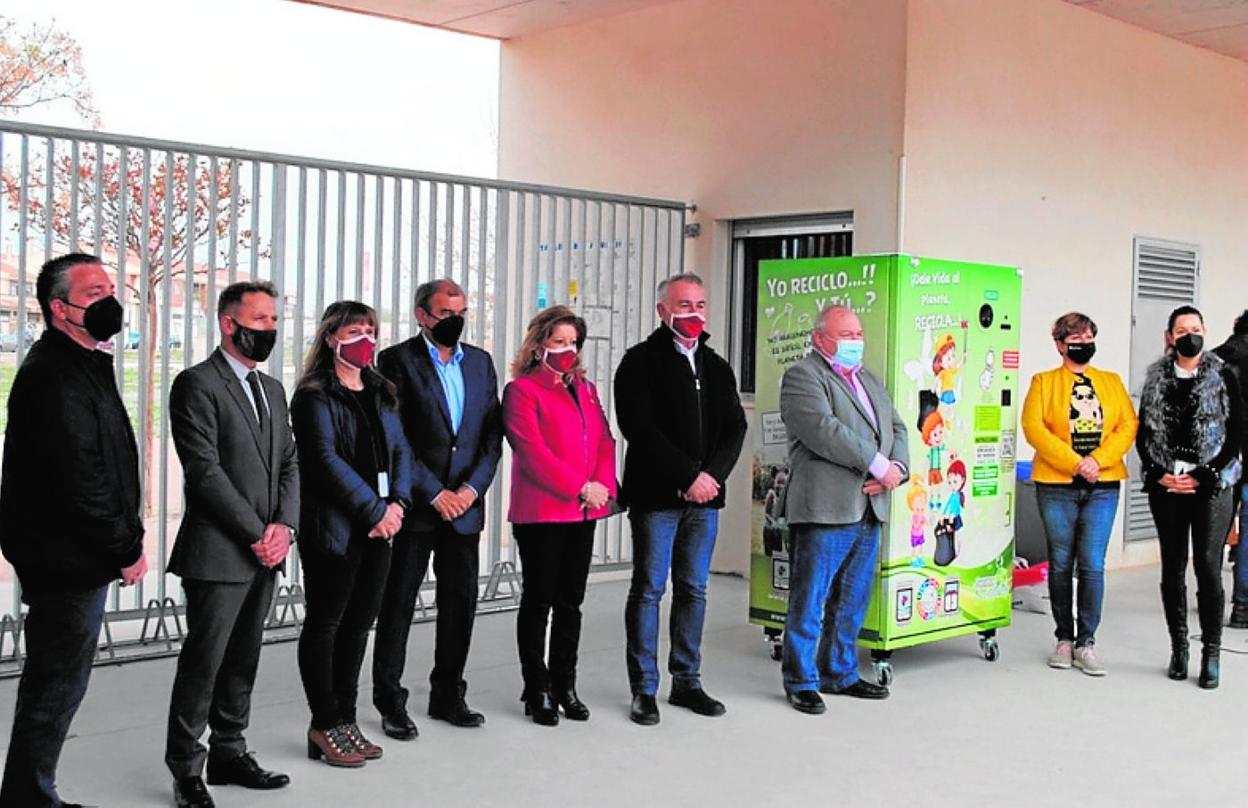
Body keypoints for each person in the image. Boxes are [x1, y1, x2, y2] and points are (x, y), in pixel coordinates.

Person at [0, 253, 146, 807]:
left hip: (77, 551)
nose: (110, 301)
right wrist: (126, 547)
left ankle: (29, 790)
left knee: (60, 679)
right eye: (94, 293)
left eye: (112, 288)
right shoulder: (53, 375)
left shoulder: (84, 360)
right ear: (59, 309)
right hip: (66, 556)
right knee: (56, 681)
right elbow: (82, 480)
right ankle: (29, 796)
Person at [163, 281, 300, 807]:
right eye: (260, 319)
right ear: (229, 323)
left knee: (243, 659)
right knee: (205, 662)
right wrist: (255, 533)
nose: (269, 328)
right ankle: (186, 768)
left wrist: (284, 527)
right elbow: (204, 471)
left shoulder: (273, 391)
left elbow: (289, 462)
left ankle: (229, 750)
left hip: (267, 550)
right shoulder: (196, 384)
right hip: (220, 551)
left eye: (273, 320)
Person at [372, 278, 503, 736]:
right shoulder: (395, 361)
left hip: (464, 508)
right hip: (418, 508)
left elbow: (491, 434)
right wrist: (433, 492)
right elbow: (396, 436)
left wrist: (471, 491)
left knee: (459, 604)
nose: (456, 321)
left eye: (461, 311)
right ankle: (390, 701)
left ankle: (449, 695)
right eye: (446, 313)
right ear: (422, 315)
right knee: (398, 605)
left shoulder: (481, 364)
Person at [614, 272, 747, 726]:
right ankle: (644, 689)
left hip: (705, 500)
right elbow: (639, 428)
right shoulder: (638, 362)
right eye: (684, 305)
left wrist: (711, 478)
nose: (694, 313)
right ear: (662, 311)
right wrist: (688, 475)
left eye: (700, 304)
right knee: (650, 590)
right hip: (656, 498)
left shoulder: (716, 364)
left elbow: (734, 428)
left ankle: (686, 681)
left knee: (694, 589)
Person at [291, 301, 413, 766]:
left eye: (370, 330)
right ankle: (324, 722)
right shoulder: (314, 395)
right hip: (336, 529)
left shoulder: (381, 388)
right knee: (327, 623)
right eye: (354, 330)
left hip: (382, 526)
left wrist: (398, 504)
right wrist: (372, 511)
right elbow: (323, 461)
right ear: (330, 337)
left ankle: (346, 718)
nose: (364, 339)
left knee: (360, 625)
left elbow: (400, 448)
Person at [778, 305, 908, 714]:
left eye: (858, 333)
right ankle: (801, 680)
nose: (856, 341)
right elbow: (823, 430)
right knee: (810, 598)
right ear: (820, 339)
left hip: (870, 504)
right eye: (845, 335)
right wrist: (878, 465)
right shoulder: (803, 376)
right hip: (825, 507)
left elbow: (898, 427)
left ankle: (839, 672)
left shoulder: (869, 380)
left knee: (852, 598)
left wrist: (898, 469)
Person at [502, 305, 617, 725]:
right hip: (543, 513)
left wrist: (601, 485)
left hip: (583, 512)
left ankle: (565, 684)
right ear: (538, 345)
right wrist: (579, 486)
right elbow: (532, 453)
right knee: (539, 601)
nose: (568, 351)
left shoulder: (584, 388)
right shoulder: (522, 391)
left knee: (572, 602)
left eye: (573, 343)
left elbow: (604, 438)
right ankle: (537, 689)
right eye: (559, 342)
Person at [1021, 312, 1138, 678]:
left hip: (1102, 486)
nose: (1083, 341)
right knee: (1060, 562)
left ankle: (1087, 642)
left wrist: (1097, 461)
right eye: (1075, 336)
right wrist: (1075, 462)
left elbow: (1127, 425)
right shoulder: (1043, 382)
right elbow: (1033, 428)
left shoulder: (1111, 381)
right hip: (1057, 486)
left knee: (1091, 563)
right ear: (1059, 344)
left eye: (1088, 335)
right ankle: (1063, 639)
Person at [1137, 305, 1242, 690]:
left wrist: (1203, 474)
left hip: (1211, 484)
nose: (1189, 335)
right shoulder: (1156, 379)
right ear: (1170, 337)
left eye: (1195, 328)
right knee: (1172, 568)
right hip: (1167, 484)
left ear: (1205, 331)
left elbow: (1235, 434)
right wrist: (1159, 471)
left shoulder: (1223, 375)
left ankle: (1210, 652)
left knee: (1209, 568)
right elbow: (1143, 434)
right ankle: (1178, 647)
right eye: (1181, 330)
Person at [1212, 309, 1248, 629]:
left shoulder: (1215, 357)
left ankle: (1211, 596)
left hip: (1218, 458)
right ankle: (1242, 607)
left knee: (1216, 528)